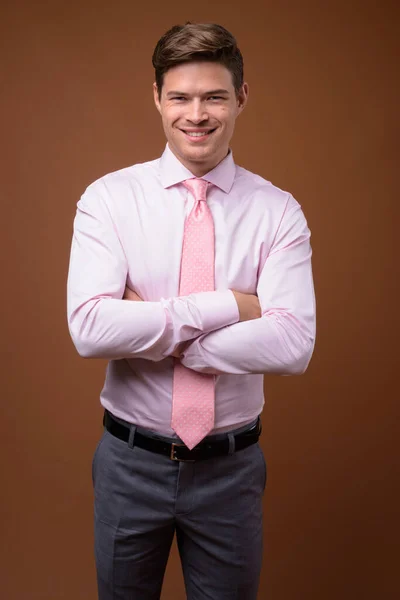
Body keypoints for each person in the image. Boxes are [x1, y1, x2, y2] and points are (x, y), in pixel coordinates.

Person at [67, 21, 316, 600]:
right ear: (157, 98)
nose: (196, 114)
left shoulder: (278, 213)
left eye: (213, 96)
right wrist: (230, 306)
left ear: (241, 98)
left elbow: (293, 344)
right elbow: (88, 329)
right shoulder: (108, 200)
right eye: (179, 96)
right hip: (130, 465)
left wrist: (156, 329)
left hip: (231, 471)